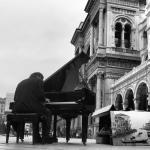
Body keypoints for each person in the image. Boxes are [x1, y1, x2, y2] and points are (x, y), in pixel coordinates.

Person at [12, 72, 53, 143]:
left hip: (17, 109)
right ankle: (45, 137)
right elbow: (40, 96)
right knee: (48, 112)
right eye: (42, 79)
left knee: (37, 112)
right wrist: (45, 99)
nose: (42, 81)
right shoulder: (38, 81)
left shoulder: (21, 82)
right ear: (39, 77)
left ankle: (36, 136)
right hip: (31, 108)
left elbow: (15, 98)